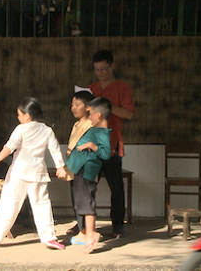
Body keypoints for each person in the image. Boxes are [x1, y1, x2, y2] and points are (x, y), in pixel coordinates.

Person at [0, 97, 67, 250]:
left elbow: (9, 147)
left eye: (19, 114)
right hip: (38, 174)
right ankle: (49, 237)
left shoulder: (21, 129)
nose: (18, 117)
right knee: (42, 205)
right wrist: (60, 167)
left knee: (9, 203)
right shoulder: (47, 130)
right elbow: (55, 149)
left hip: (19, 173)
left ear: (27, 116)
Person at [88, 50, 136, 238]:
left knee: (116, 187)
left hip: (112, 144)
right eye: (97, 70)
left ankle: (117, 224)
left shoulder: (122, 88)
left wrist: (108, 107)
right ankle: (84, 223)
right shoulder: (91, 88)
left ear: (112, 66)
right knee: (87, 186)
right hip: (91, 145)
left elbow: (129, 114)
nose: (100, 73)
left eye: (103, 69)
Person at [65, 97, 112, 254]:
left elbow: (106, 154)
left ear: (98, 115)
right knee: (81, 201)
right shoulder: (95, 130)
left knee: (86, 201)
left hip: (87, 170)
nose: (89, 116)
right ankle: (87, 233)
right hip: (80, 169)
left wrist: (92, 146)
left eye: (91, 113)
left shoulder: (103, 132)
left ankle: (91, 234)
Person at [65, 91, 95, 243]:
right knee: (77, 200)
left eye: (78, 105)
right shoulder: (77, 124)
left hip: (83, 169)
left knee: (84, 200)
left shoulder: (90, 124)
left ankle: (87, 233)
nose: (73, 108)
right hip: (74, 169)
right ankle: (83, 231)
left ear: (88, 107)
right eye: (72, 105)